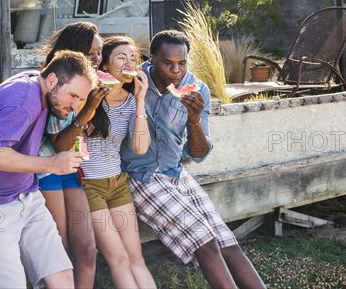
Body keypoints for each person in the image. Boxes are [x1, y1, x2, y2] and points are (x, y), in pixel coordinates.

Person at [121, 30, 266, 289]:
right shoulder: (132, 82)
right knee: (205, 241)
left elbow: (199, 154)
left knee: (227, 242)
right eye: (168, 62)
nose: (177, 70)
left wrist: (194, 119)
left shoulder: (197, 89)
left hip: (175, 173)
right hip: (142, 176)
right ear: (152, 59)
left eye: (182, 62)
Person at [0, 50, 95, 289]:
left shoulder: (39, 86)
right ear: (52, 80)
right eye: (73, 96)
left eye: (81, 99)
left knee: (62, 278)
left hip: (27, 196)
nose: (75, 106)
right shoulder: (24, 100)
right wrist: (52, 164)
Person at [79, 36, 156, 288]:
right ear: (104, 66)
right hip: (90, 185)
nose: (129, 63)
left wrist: (141, 100)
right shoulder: (88, 97)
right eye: (121, 58)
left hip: (117, 183)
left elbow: (140, 147)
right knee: (119, 258)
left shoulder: (132, 101)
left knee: (136, 258)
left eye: (133, 59)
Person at [37, 22, 109, 288]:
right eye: (91, 52)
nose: (97, 58)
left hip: (71, 170)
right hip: (47, 171)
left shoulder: (93, 83)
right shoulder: (56, 86)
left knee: (87, 249)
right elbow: (59, 145)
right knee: (62, 248)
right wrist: (87, 111)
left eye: (99, 52)